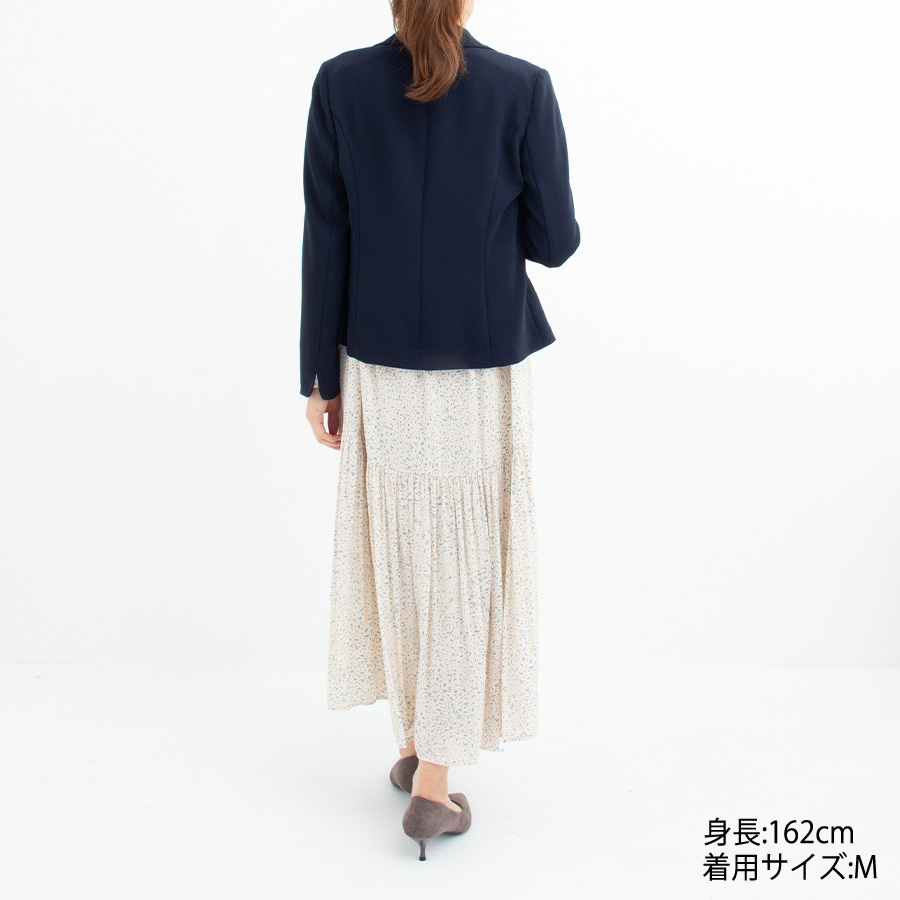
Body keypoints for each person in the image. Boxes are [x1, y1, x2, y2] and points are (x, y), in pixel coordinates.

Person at [299, 0, 580, 860]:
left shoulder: (341, 83)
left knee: (404, 547)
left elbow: (327, 236)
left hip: (377, 358)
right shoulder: (521, 88)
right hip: (479, 360)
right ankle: (433, 783)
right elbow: (556, 242)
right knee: (464, 558)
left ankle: (421, 741)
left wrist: (319, 375)